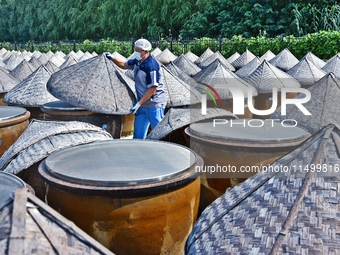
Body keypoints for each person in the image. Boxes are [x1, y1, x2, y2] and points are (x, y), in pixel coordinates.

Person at [105, 39, 167, 139]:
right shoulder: (137, 62)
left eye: (138, 51)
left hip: (154, 104)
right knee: (138, 134)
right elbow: (124, 65)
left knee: (158, 133)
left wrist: (138, 104)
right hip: (142, 104)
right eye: (135, 50)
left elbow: (152, 89)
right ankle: (139, 150)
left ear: (146, 51)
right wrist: (112, 58)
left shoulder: (151, 66)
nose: (135, 53)